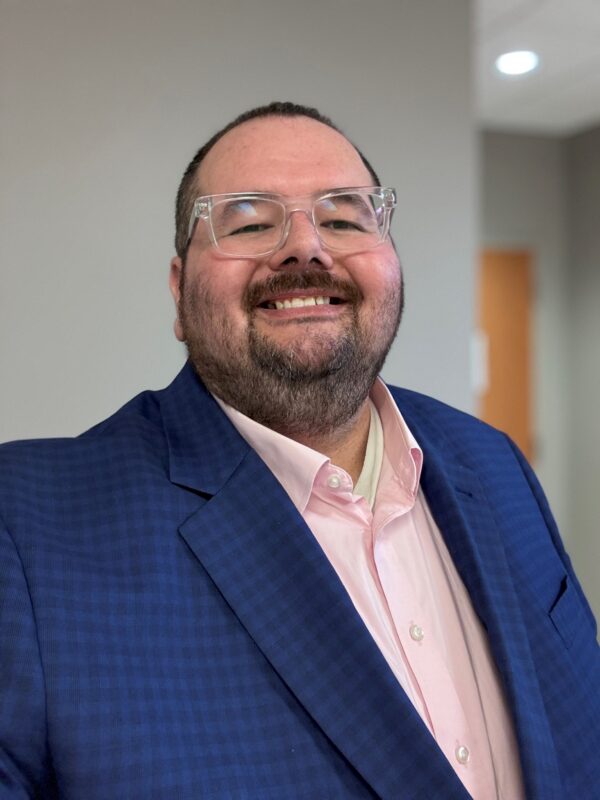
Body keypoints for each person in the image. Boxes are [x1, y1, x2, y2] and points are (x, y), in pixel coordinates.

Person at [0, 101, 598, 800]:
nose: (306, 248)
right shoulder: (30, 527)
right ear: (179, 291)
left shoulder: (493, 463)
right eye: (250, 222)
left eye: (343, 219)